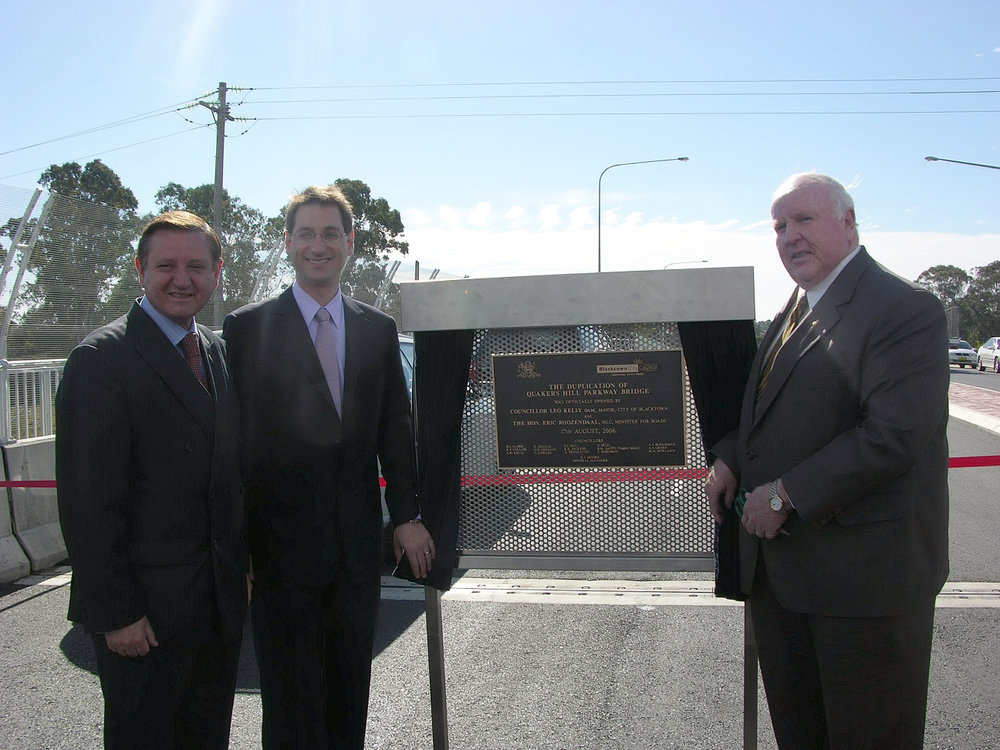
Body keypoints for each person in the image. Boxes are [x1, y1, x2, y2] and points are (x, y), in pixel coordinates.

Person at [705, 173, 949, 749]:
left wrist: (785, 493)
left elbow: (894, 433)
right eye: (778, 226)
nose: (789, 236)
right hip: (786, 581)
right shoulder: (795, 307)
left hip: (863, 587)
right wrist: (732, 459)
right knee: (802, 735)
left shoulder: (903, 308)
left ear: (848, 221)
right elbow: (773, 407)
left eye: (804, 220)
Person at [223, 184, 435, 749]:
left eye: (331, 233)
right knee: (290, 699)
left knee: (349, 692)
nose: (319, 245)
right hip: (277, 552)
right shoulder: (247, 329)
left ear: (349, 243)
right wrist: (237, 547)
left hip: (355, 547)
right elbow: (234, 450)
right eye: (307, 233)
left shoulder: (376, 328)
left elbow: (397, 429)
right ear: (288, 242)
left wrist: (407, 514)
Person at [56, 211, 247, 749]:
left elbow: (228, 476)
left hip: (214, 608)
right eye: (166, 265)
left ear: (216, 274)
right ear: (140, 269)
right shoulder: (101, 359)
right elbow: (87, 504)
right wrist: (115, 613)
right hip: (145, 617)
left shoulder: (214, 350)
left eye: (196, 266)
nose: (181, 278)